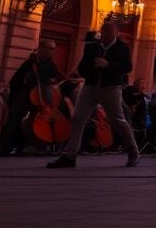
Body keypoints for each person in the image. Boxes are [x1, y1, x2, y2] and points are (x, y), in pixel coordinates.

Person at [47, 21, 141, 168]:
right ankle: (69, 155)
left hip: (110, 88)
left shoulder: (122, 48)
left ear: (116, 33)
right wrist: (90, 67)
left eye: (108, 32)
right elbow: (82, 67)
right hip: (90, 87)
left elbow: (127, 67)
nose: (104, 35)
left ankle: (133, 151)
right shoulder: (92, 46)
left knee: (117, 120)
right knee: (78, 118)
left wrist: (108, 65)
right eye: (103, 31)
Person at [0, 39, 60, 156]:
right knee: (12, 119)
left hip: (41, 100)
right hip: (25, 96)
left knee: (35, 123)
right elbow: (15, 80)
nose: (51, 52)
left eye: (53, 49)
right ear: (41, 48)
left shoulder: (52, 65)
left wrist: (52, 82)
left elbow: (54, 81)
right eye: (49, 49)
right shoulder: (30, 63)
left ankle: (34, 145)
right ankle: (5, 147)